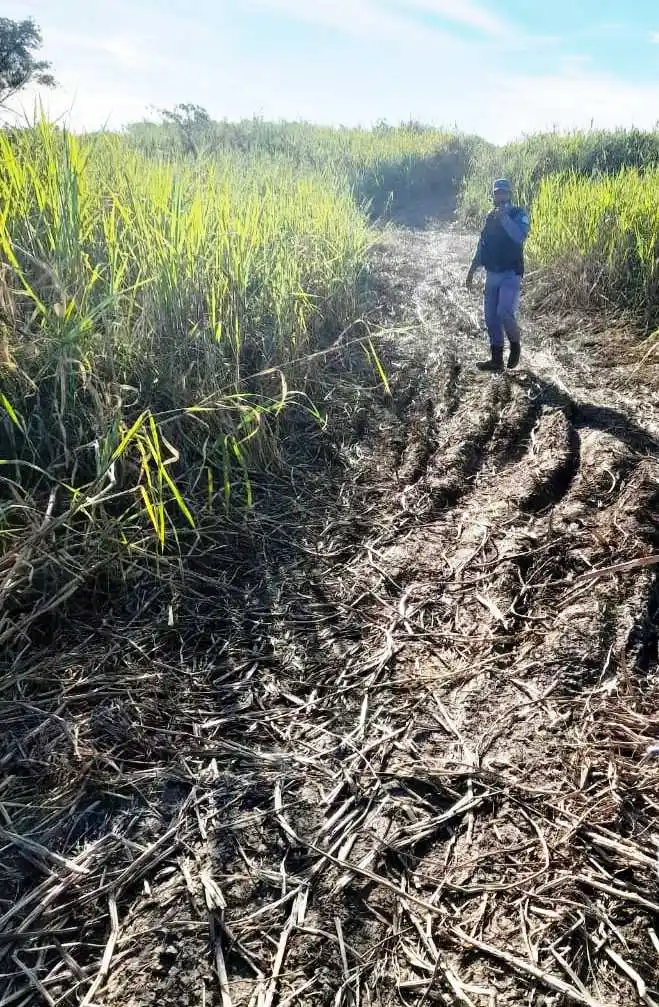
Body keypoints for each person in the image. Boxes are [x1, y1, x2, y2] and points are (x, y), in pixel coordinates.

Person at [466, 179, 530, 372]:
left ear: (510, 194)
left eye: (503, 192)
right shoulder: (489, 217)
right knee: (491, 318)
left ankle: (515, 345)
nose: (500, 196)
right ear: (493, 195)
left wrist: (505, 218)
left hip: (511, 273)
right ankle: (496, 360)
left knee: (504, 312)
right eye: (497, 193)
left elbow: (520, 236)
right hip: (492, 273)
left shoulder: (518, 214)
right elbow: (482, 245)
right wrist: (472, 269)